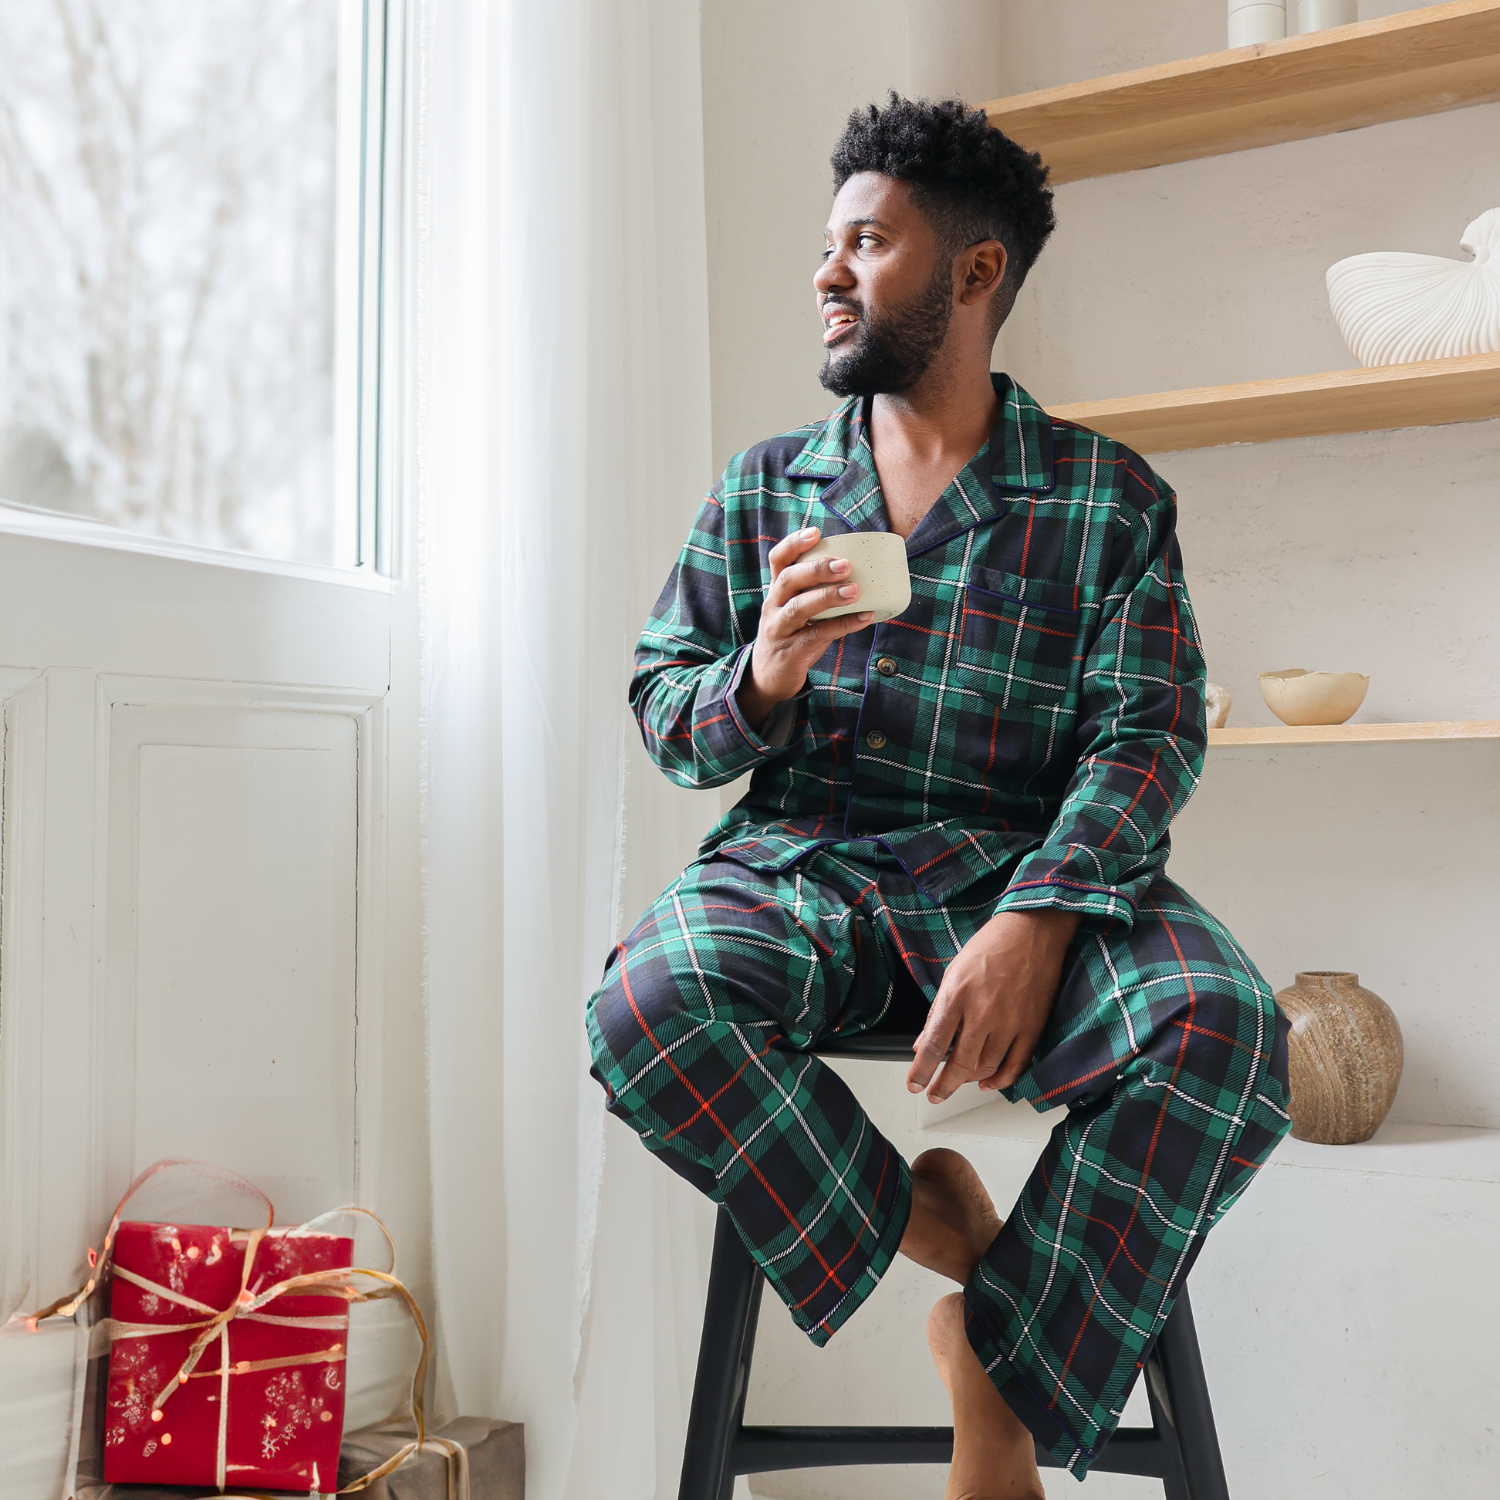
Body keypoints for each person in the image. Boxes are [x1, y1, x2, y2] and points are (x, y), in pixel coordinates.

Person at [587, 94, 1290, 1498]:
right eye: (829, 244)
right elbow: (672, 724)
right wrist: (764, 674)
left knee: (1225, 1029)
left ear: (974, 275)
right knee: (648, 1004)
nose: (828, 273)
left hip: (1031, 872)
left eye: (867, 242)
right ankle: (941, 1230)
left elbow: (1148, 740)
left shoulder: (1106, 498)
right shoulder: (770, 486)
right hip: (805, 865)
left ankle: (996, 1378)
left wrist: (1038, 917)